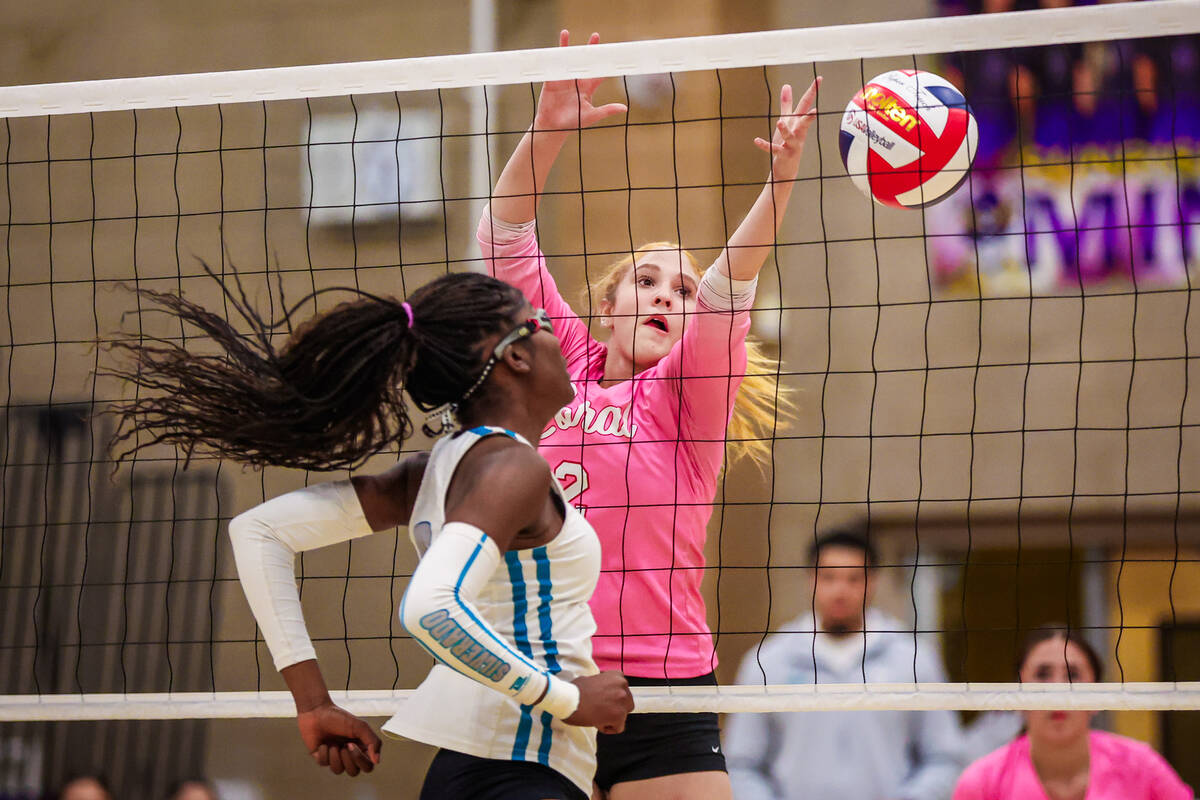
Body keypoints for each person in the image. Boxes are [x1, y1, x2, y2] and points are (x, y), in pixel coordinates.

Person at [107, 269, 633, 800]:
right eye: (542, 322)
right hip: (517, 766)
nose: (559, 337)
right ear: (516, 355)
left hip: (480, 769)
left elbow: (258, 531)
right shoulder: (511, 468)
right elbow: (431, 609)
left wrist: (313, 703)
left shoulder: (438, 469)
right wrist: (566, 699)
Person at [479, 30, 818, 799]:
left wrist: (781, 182)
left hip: (663, 685)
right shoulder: (559, 364)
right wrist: (547, 130)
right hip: (543, 676)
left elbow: (731, 286)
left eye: (682, 289)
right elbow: (504, 242)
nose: (667, 293)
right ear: (608, 305)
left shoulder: (689, 395)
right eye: (647, 280)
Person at [723, 526, 964, 800]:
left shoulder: (913, 659)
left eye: (853, 579)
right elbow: (741, 763)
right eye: (829, 577)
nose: (840, 590)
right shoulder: (768, 661)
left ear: (873, 582)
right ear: (811, 579)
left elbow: (944, 757)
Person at [953, 627, 1193, 800]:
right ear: (1018, 695)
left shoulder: (1142, 765)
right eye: (1043, 674)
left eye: (1073, 675)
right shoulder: (982, 781)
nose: (1058, 689)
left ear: (1098, 696)